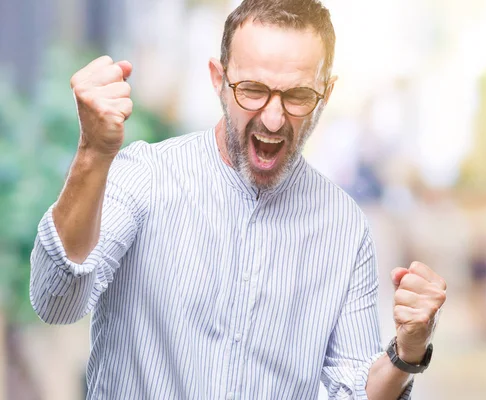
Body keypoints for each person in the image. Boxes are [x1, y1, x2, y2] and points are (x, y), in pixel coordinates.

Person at [29, 0, 447, 398]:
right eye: (252, 89)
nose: (272, 118)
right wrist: (93, 153)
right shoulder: (146, 177)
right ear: (218, 79)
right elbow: (55, 300)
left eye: (298, 96)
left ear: (327, 93)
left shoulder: (344, 226)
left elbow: (357, 390)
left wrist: (407, 351)